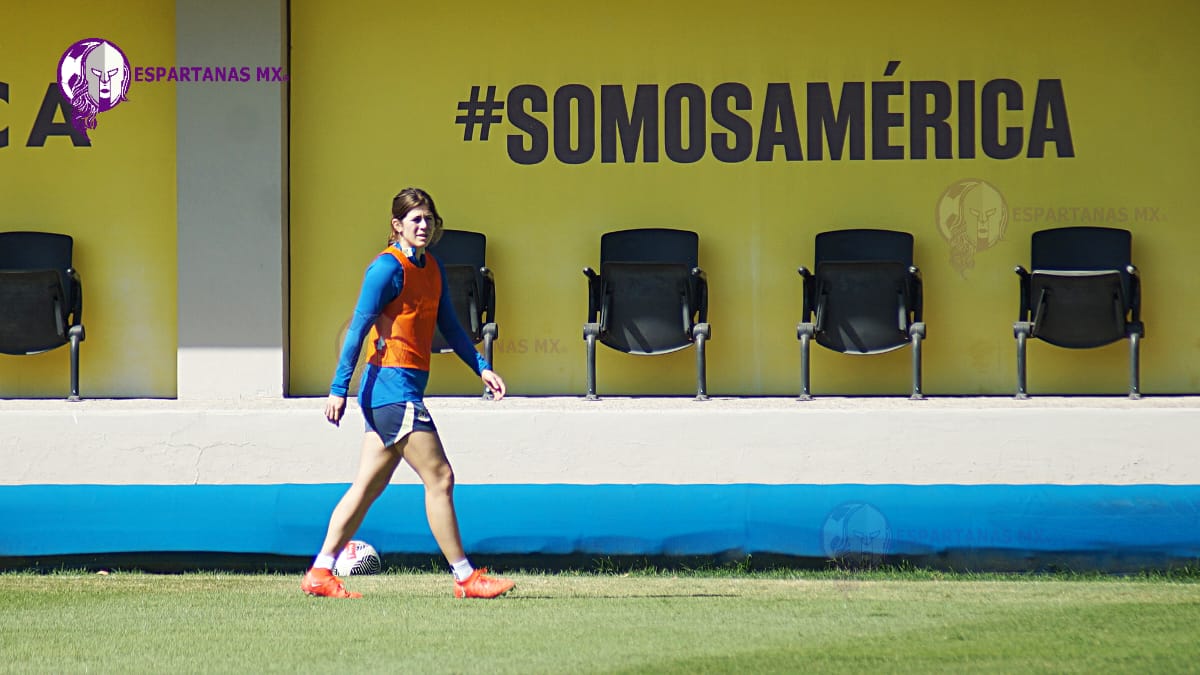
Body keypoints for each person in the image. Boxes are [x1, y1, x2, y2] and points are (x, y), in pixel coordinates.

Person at [301, 187, 514, 600]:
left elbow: (450, 326)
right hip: (390, 389)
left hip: (398, 390)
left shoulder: (432, 267)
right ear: (397, 225)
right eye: (414, 219)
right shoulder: (385, 269)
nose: (423, 225)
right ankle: (466, 577)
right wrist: (337, 389)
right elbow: (357, 330)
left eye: (428, 218)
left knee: (366, 487)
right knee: (440, 477)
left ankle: (320, 572)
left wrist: (483, 368)